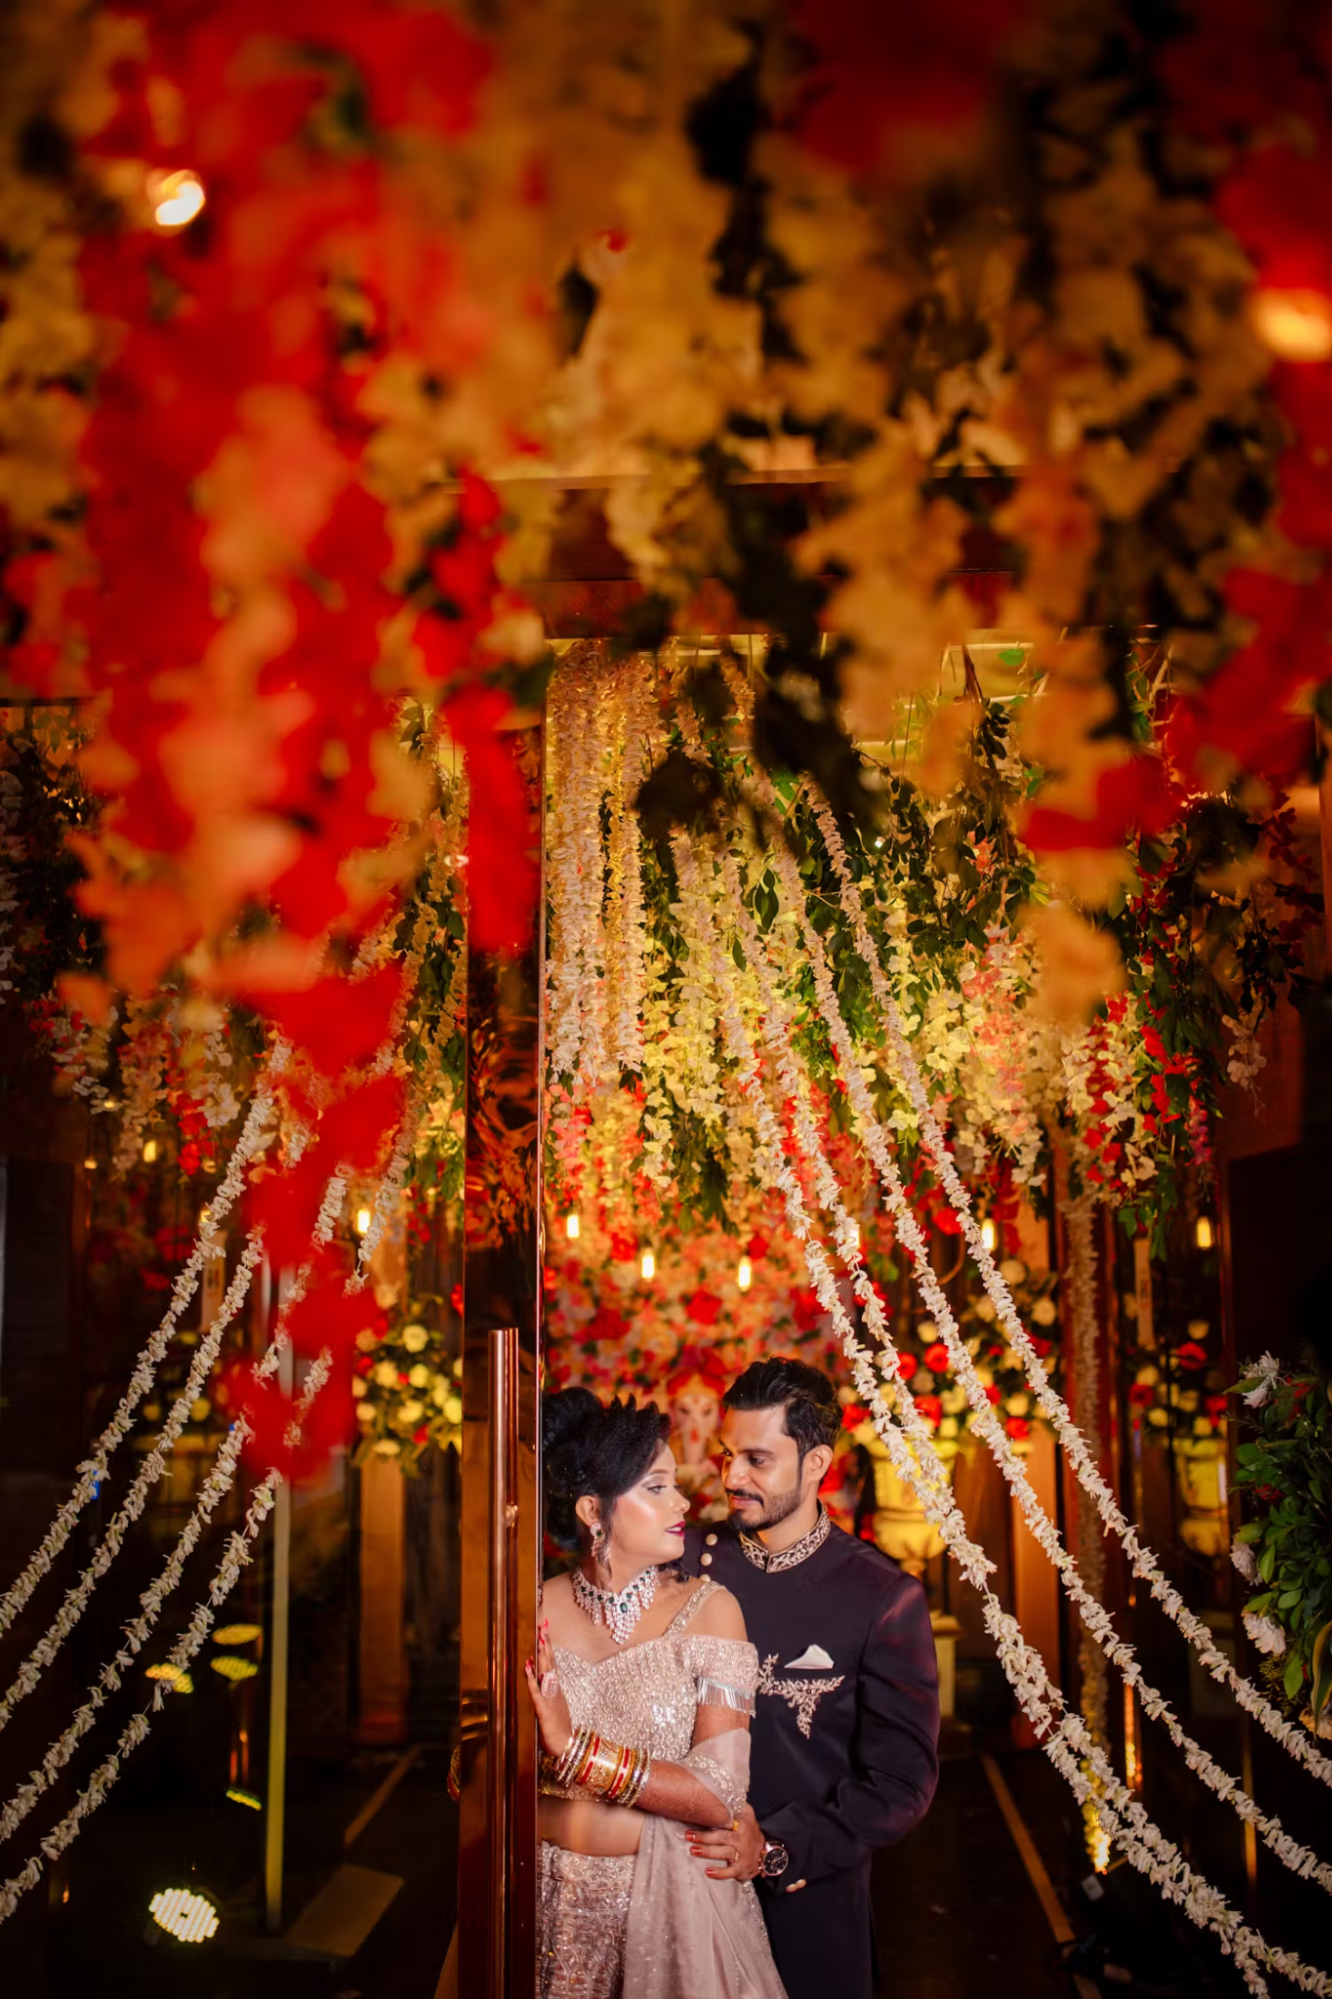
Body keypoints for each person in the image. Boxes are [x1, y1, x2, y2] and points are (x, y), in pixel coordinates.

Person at [679, 1357, 940, 1999]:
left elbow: (900, 1784)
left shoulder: (881, 1597)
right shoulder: (683, 1563)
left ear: (817, 1463)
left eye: (756, 1460)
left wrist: (773, 1847)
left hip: (808, 1910)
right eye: (727, 1455)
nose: (732, 1476)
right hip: (682, 1891)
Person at [524, 1386, 788, 1999]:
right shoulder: (530, 1607)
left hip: (674, 1918)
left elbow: (720, 1793)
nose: (684, 1500)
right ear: (593, 1511)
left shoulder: (709, 1611)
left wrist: (570, 1750)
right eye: (656, 1486)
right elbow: (471, 1770)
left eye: (674, 1483)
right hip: (542, 1911)